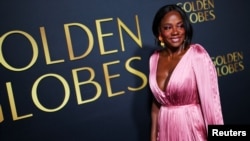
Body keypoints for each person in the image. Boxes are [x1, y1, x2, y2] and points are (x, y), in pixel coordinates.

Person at [148, 4, 224, 141]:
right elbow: (156, 103)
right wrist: (153, 136)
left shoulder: (197, 55)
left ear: (186, 28)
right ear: (159, 33)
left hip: (192, 128)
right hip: (166, 129)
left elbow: (211, 105)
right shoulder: (154, 59)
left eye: (180, 26)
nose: (175, 31)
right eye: (168, 27)